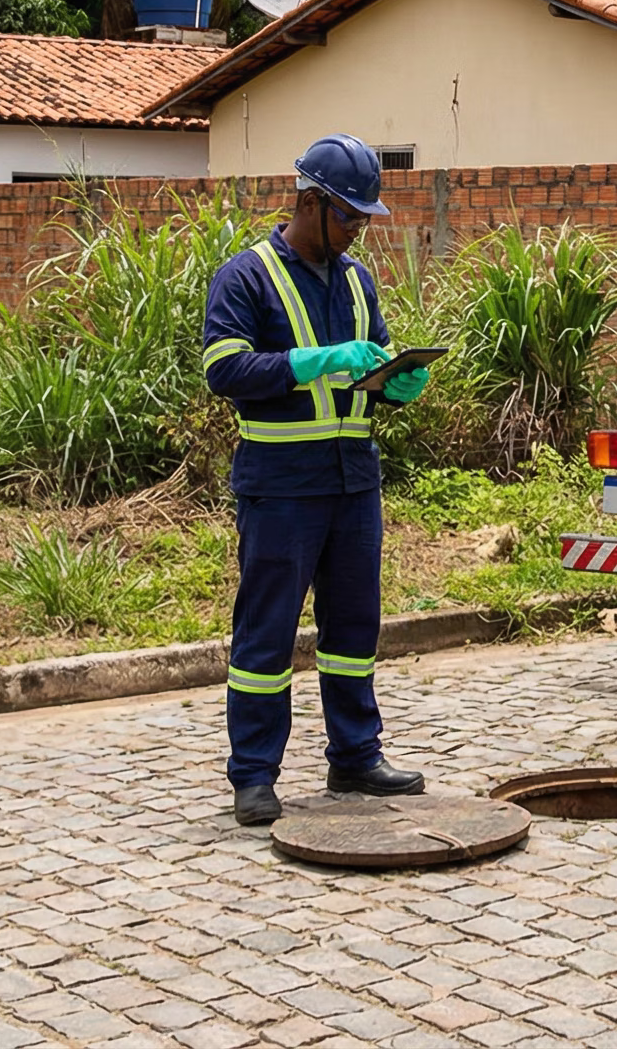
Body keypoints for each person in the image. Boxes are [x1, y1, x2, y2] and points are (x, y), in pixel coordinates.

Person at [202, 134, 436, 825]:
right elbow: (226, 370)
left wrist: (400, 382)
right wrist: (315, 360)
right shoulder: (245, 278)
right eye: (351, 216)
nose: (360, 228)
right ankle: (253, 774)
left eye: (365, 217)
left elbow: (371, 367)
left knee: (355, 627)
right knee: (266, 636)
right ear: (310, 202)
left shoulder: (358, 280)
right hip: (280, 486)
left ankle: (356, 755)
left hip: (353, 482)